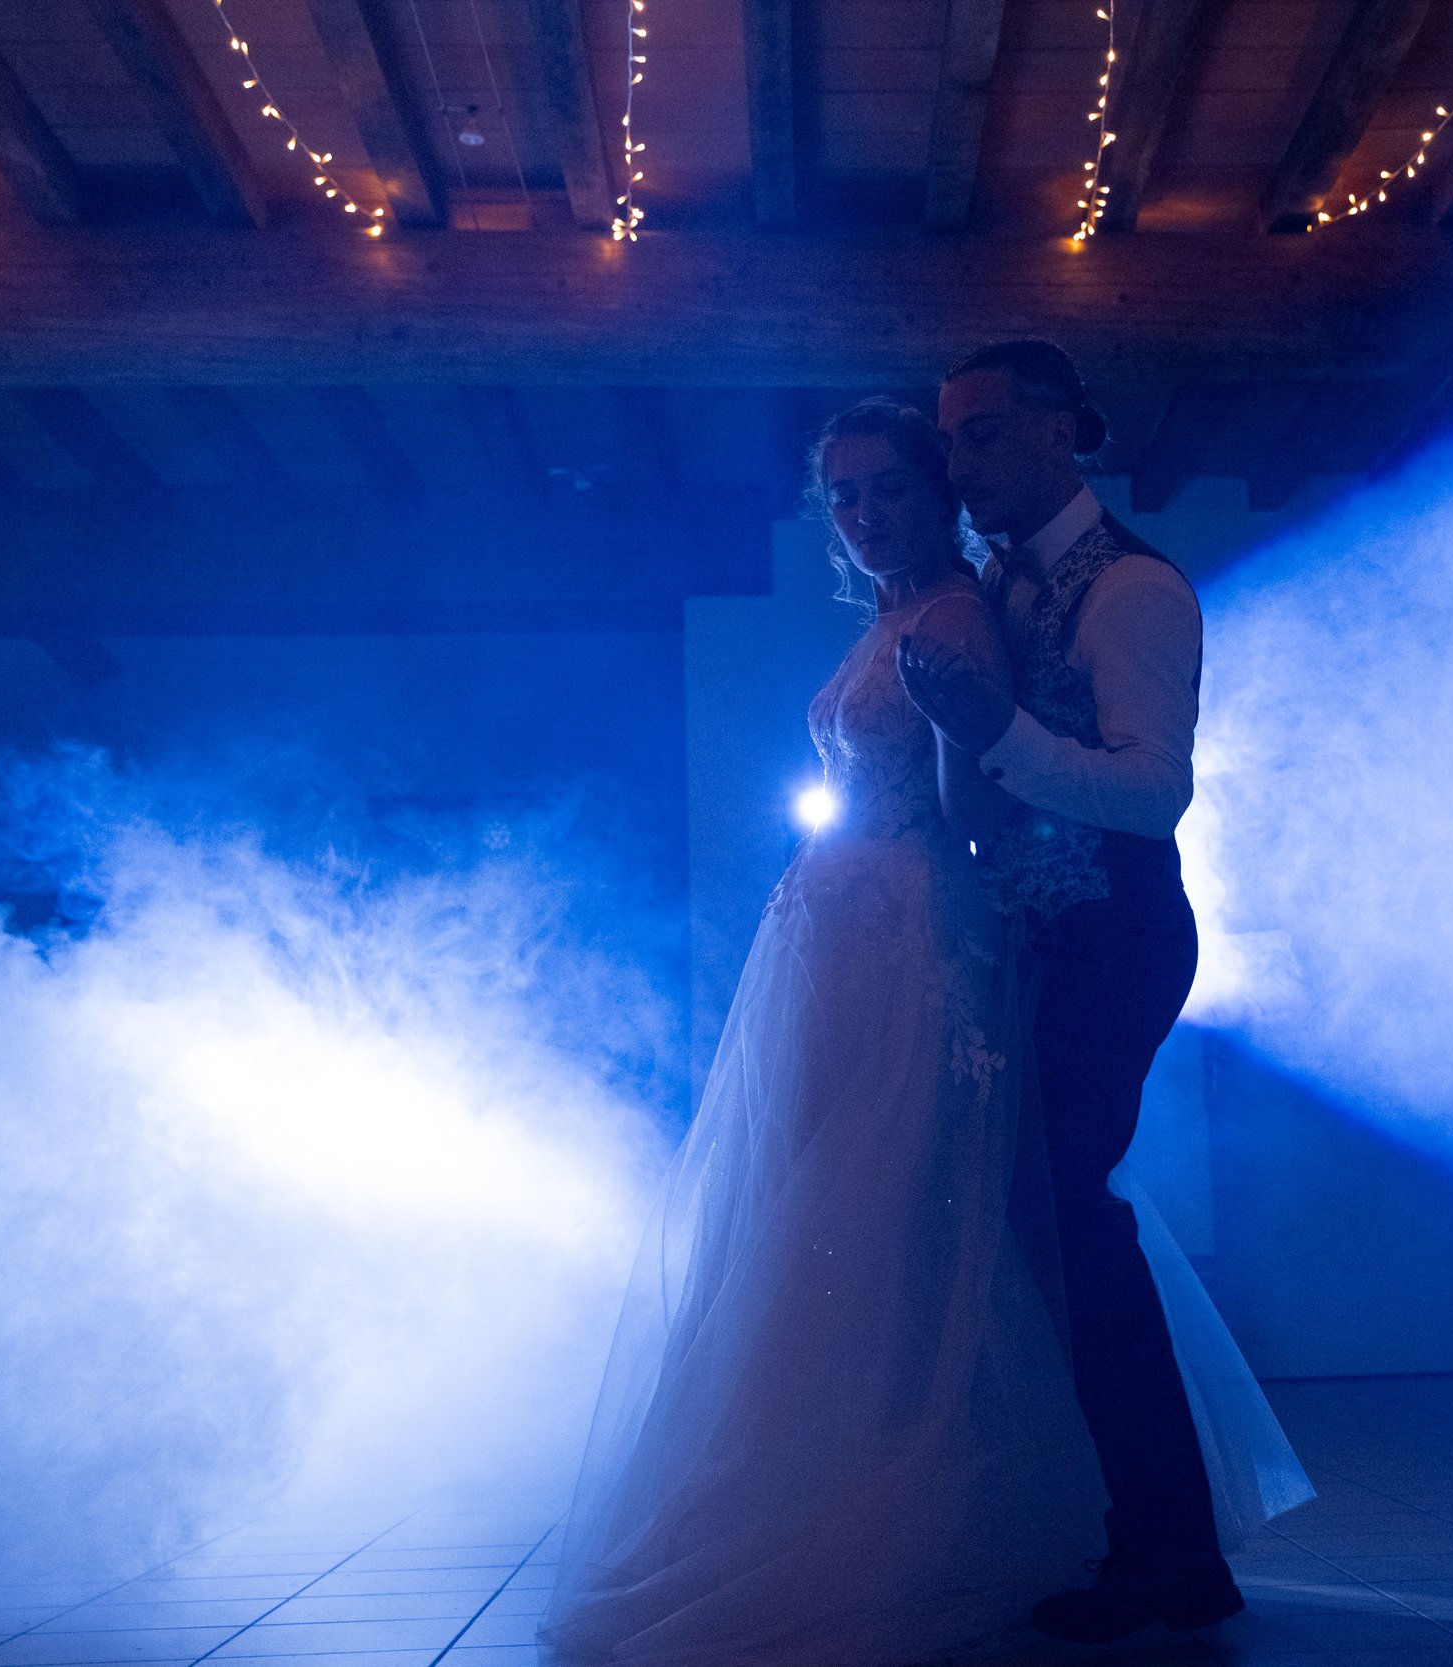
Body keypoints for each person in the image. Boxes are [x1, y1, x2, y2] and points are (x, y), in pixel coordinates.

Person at [540, 398, 1302, 1667]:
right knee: (852, 1205)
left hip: (916, 924)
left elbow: (981, 804)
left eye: (888, 487)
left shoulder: (973, 611)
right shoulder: (925, 609)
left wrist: (965, 749)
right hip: (841, 929)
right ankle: (897, 1477)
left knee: (951, 1205)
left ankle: (1071, 1519)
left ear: (941, 488)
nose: (863, 512)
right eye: (842, 495)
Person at [901, 340, 1265, 1643]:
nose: (963, 463)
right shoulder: (1002, 581)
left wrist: (990, 733)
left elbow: (1153, 790)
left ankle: (1168, 1541)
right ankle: (1124, 1523)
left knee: (1067, 1213)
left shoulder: (1132, 589)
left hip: (1116, 933)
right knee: (1046, 1224)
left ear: (1065, 431)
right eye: (954, 439)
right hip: (1038, 935)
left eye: (987, 432)